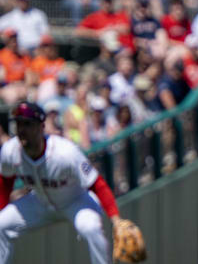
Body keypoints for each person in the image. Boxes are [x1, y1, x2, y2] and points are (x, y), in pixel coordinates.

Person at [0, 101, 126, 263]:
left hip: (75, 201)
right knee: (1, 224)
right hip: (39, 202)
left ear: (41, 127)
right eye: (18, 124)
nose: (22, 130)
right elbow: (5, 181)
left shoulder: (65, 153)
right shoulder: (11, 151)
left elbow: (97, 184)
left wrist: (116, 219)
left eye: (28, 124)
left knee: (91, 228)